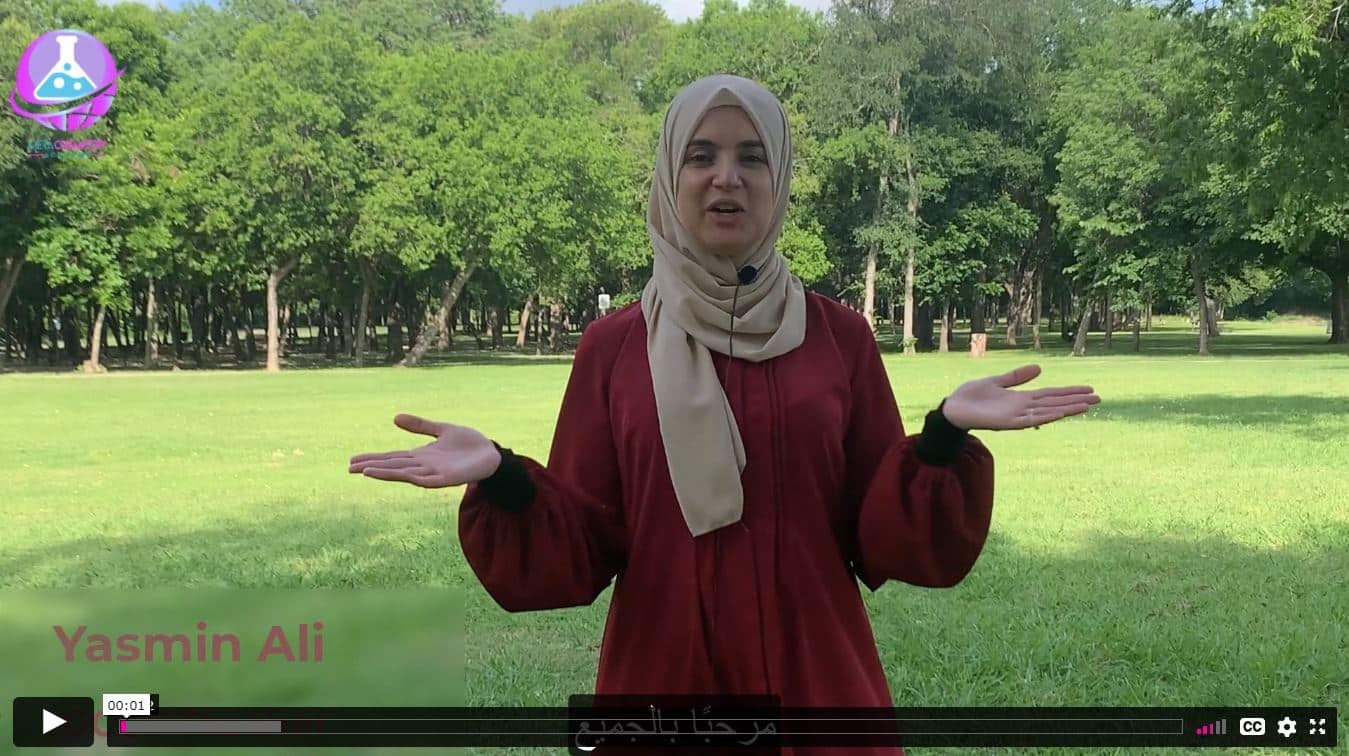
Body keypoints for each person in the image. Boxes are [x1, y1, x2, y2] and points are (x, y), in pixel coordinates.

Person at [349, 75, 1100, 754]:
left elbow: (881, 535)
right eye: (700, 155)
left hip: (813, 676)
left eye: (752, 156)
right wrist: (504, 476)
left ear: (780, 179)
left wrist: (939, 438)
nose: (726, 177)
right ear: (668, 177)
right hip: (662, 671)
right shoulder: (613, 348)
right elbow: (583, 543)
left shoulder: (838, 337)